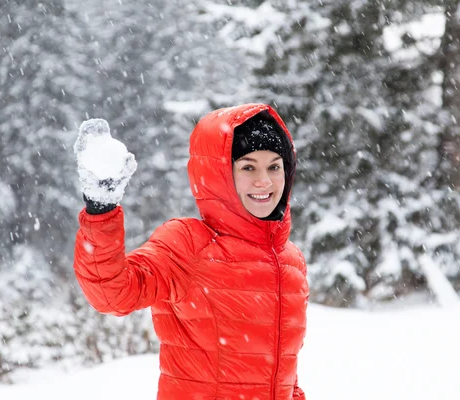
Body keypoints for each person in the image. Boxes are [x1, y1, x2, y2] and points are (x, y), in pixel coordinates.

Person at [72, 103, 309, 400]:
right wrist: (101, 208)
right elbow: (112, 293)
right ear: (220, 174)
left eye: (275, 166)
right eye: (248, 166)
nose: (265, 181)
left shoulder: (290, 261)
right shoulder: (188, 244)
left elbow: (284, 373)